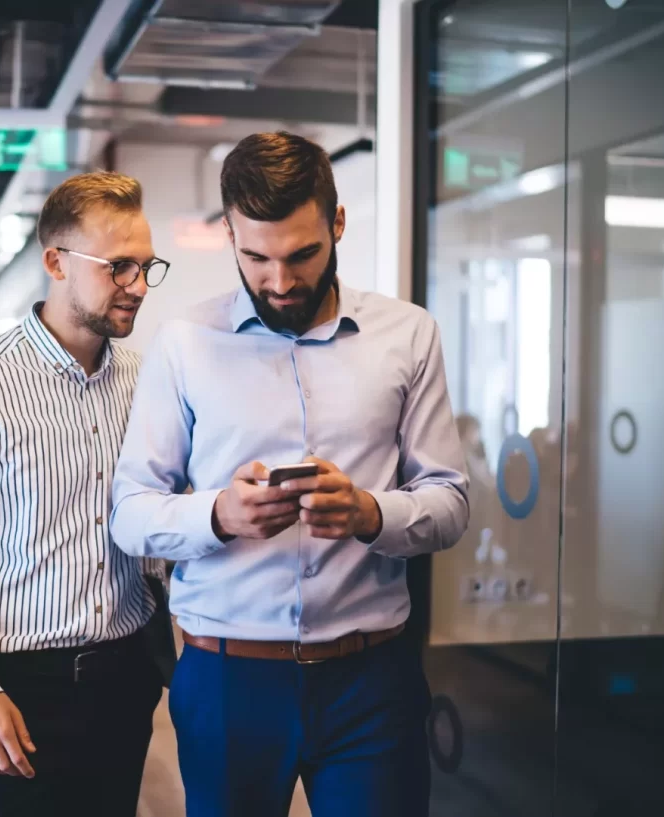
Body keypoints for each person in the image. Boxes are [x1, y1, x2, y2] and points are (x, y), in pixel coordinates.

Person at [110, 132, 470, 817]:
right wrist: (219, 514)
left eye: (302, 254)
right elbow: (130, 511)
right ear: (229, 235)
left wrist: (370, 513)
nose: (279, 281)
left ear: (337, 224)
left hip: (371, 680)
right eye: (256, 257)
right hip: (226, 682)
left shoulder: (409, 334)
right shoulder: (185, 342)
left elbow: (450, 502)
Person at [0, 171, 172, 817]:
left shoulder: (145, 377)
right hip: (15, 689)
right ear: (56, 261)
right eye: (118, 266)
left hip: (125, 681)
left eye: (146, 267)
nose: (136, 285)